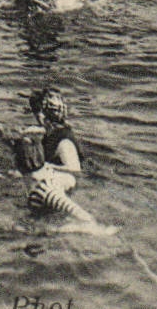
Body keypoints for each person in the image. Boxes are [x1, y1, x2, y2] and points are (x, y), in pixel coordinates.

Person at [9, 89, 102, 227]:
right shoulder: (48, 135)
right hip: (51, 185)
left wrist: (46, 167)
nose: (36, 117)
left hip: (64, 185)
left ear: (43, 114)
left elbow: (75, 170)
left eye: (37, 112)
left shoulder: (63, 140)